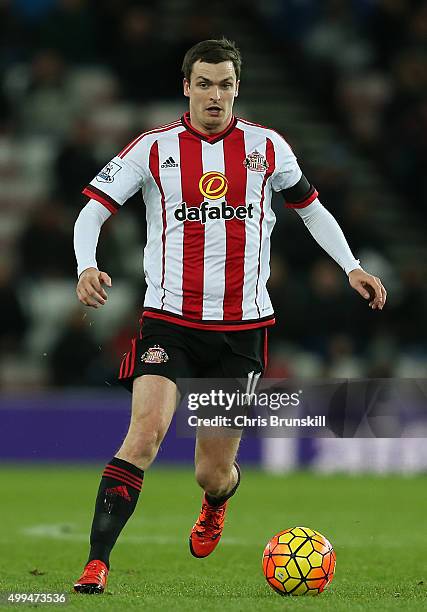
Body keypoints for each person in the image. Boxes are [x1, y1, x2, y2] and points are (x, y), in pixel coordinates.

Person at [72, 38, 387, 593]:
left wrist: (351, 266)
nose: (214, 95)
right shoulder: (152, 149)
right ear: (186, 87)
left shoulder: (267, 147)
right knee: (144, 436)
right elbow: (92, 212)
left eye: (224, 84)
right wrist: (85, 266)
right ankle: (96, 563)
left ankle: (215, 503)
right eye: (204, 83)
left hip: (242, 328)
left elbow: (312, 210)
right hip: (168, 318)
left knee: (211, 472)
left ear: (237, 87)